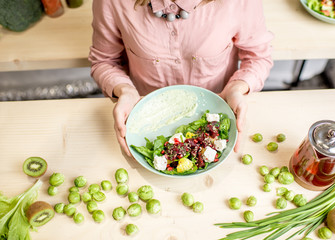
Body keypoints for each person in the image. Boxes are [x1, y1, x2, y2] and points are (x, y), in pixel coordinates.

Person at [88, 0, 274, 156]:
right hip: (146, 121)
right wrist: (124, 91)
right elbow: (104, 61)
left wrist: (237, 87)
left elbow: (258, 56)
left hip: (217, 111)